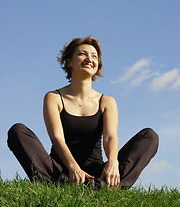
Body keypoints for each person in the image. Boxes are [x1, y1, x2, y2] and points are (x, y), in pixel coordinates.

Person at [7, 36, 159, 189]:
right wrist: (73, 167)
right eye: (82, 54)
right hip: (60, 170)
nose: (89, 59)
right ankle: (61, 184)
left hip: (98, 173)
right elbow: (57, 138)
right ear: (69, 62)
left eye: (94, 56)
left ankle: (106, 185)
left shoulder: (107, 101)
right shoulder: (54, 98)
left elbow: (110, 137)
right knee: (17, 131)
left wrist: (113, 162)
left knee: (149, 136)